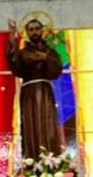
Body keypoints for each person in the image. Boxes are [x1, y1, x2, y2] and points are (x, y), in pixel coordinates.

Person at [6, 17, 63, 158]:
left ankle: (51, 159)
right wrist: (12, 37)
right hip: (29, 94)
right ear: (27, 33)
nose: (35, 32)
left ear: (42, 30)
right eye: (31, 30)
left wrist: (46, 58)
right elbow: (14, 65)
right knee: (30, 126)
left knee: (47, 124)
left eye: (37, 28)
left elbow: (57, 71)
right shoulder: (23, 52)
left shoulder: (50, 52)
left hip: (45, 93)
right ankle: (32, 158)